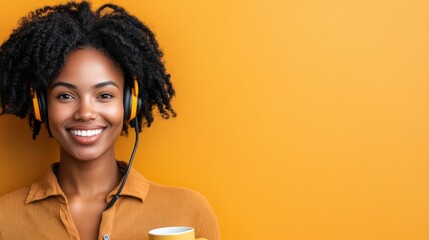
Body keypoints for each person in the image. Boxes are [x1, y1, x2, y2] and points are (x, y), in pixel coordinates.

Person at [0, 2, 220, 240]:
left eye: (104, 95)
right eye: (65, 95)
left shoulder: (189, 213)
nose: (85, 113)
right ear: (41, 105)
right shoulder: (5, 218)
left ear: (129, 104)